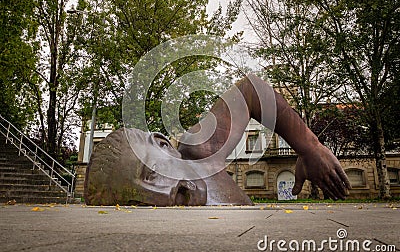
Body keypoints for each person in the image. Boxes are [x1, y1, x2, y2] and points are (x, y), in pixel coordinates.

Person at [84, 74, 351, 206]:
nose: (170, 194)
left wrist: (308, 146)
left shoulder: (199, 150)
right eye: (136, 203)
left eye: (156, 173)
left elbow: (252, 91)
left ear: (164, 145)